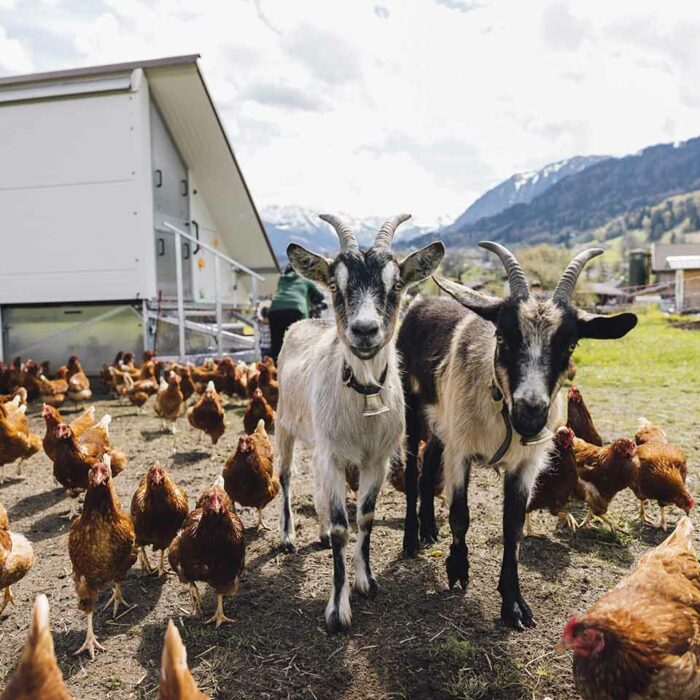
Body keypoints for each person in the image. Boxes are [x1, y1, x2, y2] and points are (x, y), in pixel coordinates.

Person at [268, 265, 325, 361]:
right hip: (296, 310)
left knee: (276, 345)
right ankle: (300, 366)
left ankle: (275, 369)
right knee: (301, 343)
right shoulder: (305, 279)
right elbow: (320, 295)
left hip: (275, 311)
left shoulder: (282, 279)